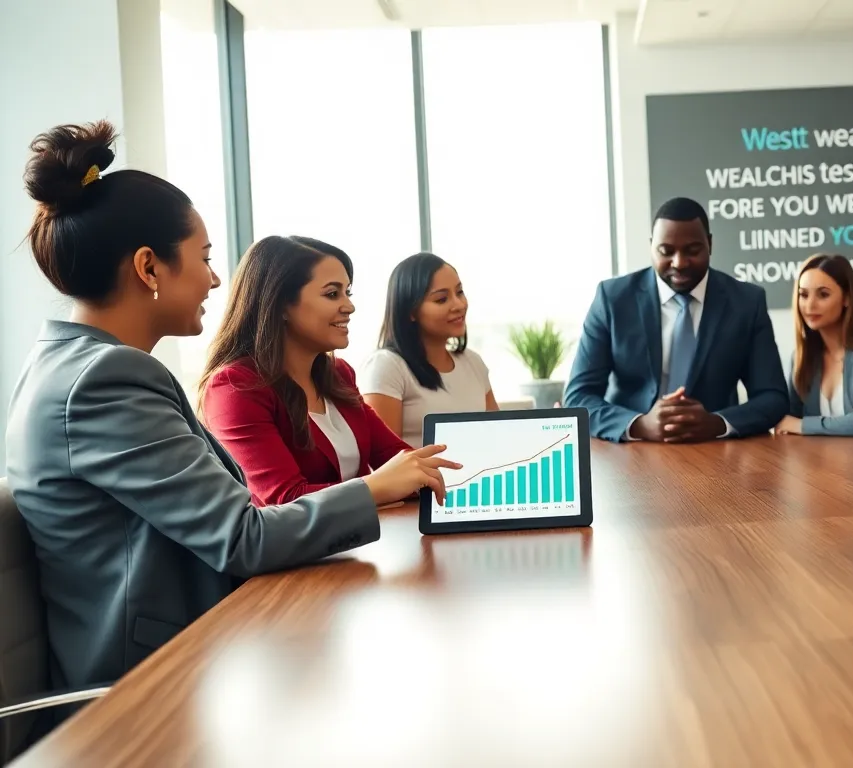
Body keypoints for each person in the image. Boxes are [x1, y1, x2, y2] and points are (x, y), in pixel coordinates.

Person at [3, 121, 455, 700]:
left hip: (198, 651)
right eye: (205, 257)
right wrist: (372, 490)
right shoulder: (105, 379)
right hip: (147, 687)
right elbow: (242, 536)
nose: (217, 279)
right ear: (148, 268)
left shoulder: (72, 365)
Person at [200, 236, 426, 506]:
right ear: (281, 303)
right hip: (289, 548)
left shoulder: (339, 374)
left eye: (347, 292)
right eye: (332, 294)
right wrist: (380, 486)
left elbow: (398, 460)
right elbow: (284, 500)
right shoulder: (234, 387)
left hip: (361, 541)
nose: (349, 307)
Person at [564, 197, 789, 442]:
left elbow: (773, 397)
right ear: (651, 246)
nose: (679, 263)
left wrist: (716, 423)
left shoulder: (746, 302)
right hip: (630, 451)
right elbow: (578, 398)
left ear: (710, 245)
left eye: (692, 250)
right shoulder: (613, 299)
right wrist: (639, 425)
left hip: (715, 452)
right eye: (666, 251)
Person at [361, 253, 498, 446]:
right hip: (422, 478)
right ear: (410, 311)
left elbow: (497, 436)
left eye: (459, 292)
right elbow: (385, 462)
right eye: (442, 299)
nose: (459, 305)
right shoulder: (387, 366)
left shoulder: (473, 362)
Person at [774, 254, 853, 437]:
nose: (810, 305)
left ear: (847, 298)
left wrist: (802, 426)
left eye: (823, 294)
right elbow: (788, 422)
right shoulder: (801, 355)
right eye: (803, 295)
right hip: (813, 461)